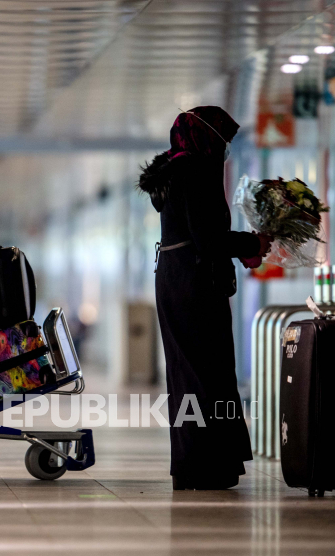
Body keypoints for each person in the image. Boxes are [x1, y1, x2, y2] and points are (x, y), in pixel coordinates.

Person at [138, 106, 271, 490]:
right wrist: (253, 242)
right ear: (205, 138)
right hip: (194, 283)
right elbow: (208, 238)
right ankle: (207, 465)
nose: (225, 151)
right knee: (208, 373)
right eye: (223, 141)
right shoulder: (196, 170)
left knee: (189, 375)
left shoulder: (174, 170)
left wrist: (243, 248)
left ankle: (193, 464)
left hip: (177, 278)